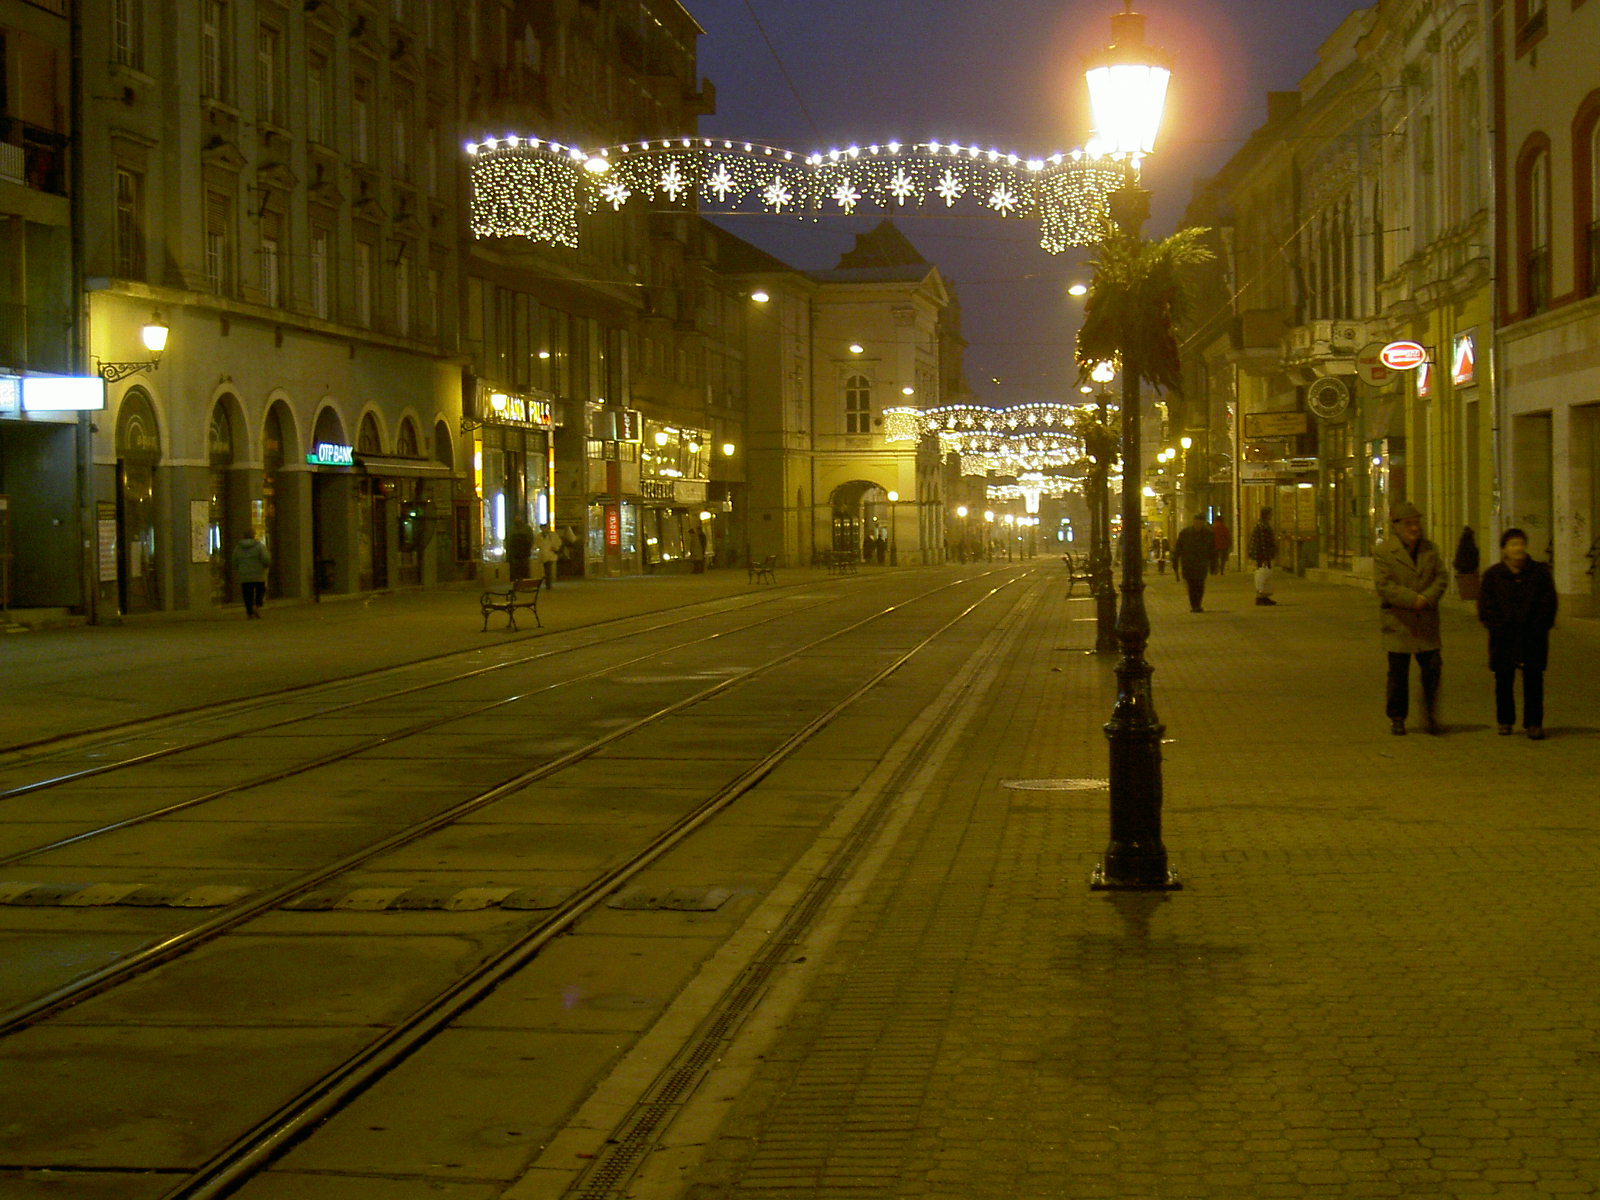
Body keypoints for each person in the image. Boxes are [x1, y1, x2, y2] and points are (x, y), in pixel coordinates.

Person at [1373, 501, 1447, 735]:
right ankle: (1397, 717)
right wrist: (1411, 599)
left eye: (1417, 523)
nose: (1414, 528)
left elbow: (1441, 578)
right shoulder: (1385, 552)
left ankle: (1430, 714)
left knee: (1432, 669)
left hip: (1425, 621)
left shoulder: (1429, 549)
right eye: (1409, 524)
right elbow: (1384, 585)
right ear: (1397, 526)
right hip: (1399, 622)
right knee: (1398, 674)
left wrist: (1426, 598)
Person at [1477, 527, 1558, 739]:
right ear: (1504, 549)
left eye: (1521, 543)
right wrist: (1497, 626)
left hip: (1533, 636)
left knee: (1533, 679)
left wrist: (1540, 625)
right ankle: (1505, 720)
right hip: (1504, 636)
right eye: (1513, 544)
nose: (1518, 548)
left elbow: (1548, 603)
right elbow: (1486, 606)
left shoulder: (1539, 573)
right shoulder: (1493, 576)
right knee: (1503, 679)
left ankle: (1534, 722)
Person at [1173, 512, 1213, 612]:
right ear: (1193, 522)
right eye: (1197, 522)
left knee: (1199, 584)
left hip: (1201, 564)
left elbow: (1212, 550)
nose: (1198, 524)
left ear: (1203, 523)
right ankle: (1194, 605)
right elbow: (1178, 548)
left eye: (1200, 522)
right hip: (1188, 564)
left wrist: (1213, 565)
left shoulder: (1208, 534)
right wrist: (1175, 562)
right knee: (1191, 585)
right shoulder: (1184, 533)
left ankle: (1198, 604)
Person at [229, 528, 271, 619]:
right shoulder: (260, 546)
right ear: (253, 536)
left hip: (244, 574)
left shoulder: (238, 548)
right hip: (258, 573)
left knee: (247, 593)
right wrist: (266, 566)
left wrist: (239, 568)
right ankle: (257, 606)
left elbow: (234, 560)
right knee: (260, 590)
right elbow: (265, 558)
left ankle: (249, 613)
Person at [1248, 507, 1278, 606]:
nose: (1271, 516)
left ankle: (1263, 596)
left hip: (1263, 554)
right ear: (1266, 515)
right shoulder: (1262, 526)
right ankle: (1261, 597)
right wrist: (1265, 557)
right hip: (1263, 555)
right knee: (1263, 576)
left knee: (1263, 576)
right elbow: (1262, 543)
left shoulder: (1261, 525)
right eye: (1270, 514)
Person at [536, 524, 562, 588]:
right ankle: (548, 582)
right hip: (544, 555)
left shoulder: (552, 535)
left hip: (550, 554)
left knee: (548, 569)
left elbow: (558, 542)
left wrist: (555, 548)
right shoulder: (539, 536)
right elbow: (537, 544)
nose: (543, 529)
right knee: (546, 570)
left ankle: (548, 583)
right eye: (542, 528)